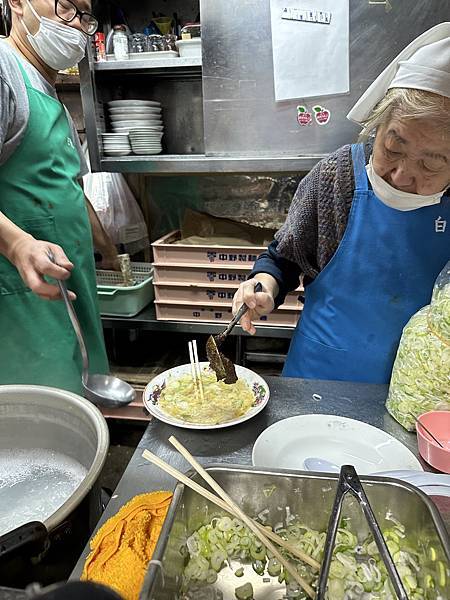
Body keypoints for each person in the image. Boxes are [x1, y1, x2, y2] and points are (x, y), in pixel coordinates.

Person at [232, 23, 450, 384]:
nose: (399, 175)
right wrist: (264, 286)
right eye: (392, 147)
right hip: (319, 380)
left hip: (424, 397)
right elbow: (283, 258)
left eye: (430, 163)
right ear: (376, 127)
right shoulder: (336, 178)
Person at [0, 0, 117, 393]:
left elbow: (67, 187)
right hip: (23, 301)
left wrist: (107, 247)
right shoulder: (4, 72)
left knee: (80, 409)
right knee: (40, 428)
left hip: (69, 287)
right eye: (66, 6)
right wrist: (16, 244)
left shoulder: (48, 95)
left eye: (85, 16)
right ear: (17, 2)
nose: (76, 26)